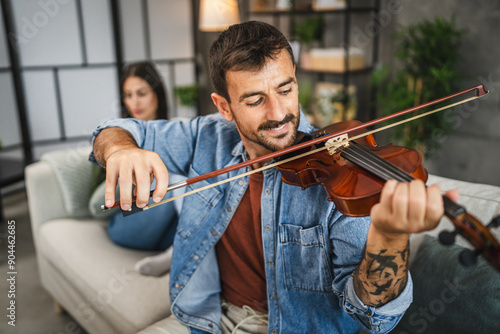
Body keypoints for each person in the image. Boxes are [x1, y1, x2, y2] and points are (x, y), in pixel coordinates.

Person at [90, 21, 458, 334]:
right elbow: (115, 129)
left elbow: (373, 315)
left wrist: (390, 238)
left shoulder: (344, 179)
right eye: (254, 100)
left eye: (286, 89)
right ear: (224, 108)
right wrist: (121, 149)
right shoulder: (207, 137)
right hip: (207, 318)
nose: (279, 112)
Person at [89, 61, 180, 276]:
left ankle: (179, 248)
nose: (134, 102)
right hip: (126, 222)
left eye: (141, 93)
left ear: (157, 93)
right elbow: (95, 206)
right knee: (171, 173)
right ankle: (178, 249)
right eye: (128, 95)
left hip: (167, 227)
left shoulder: (174, 132)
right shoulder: (116, 137)